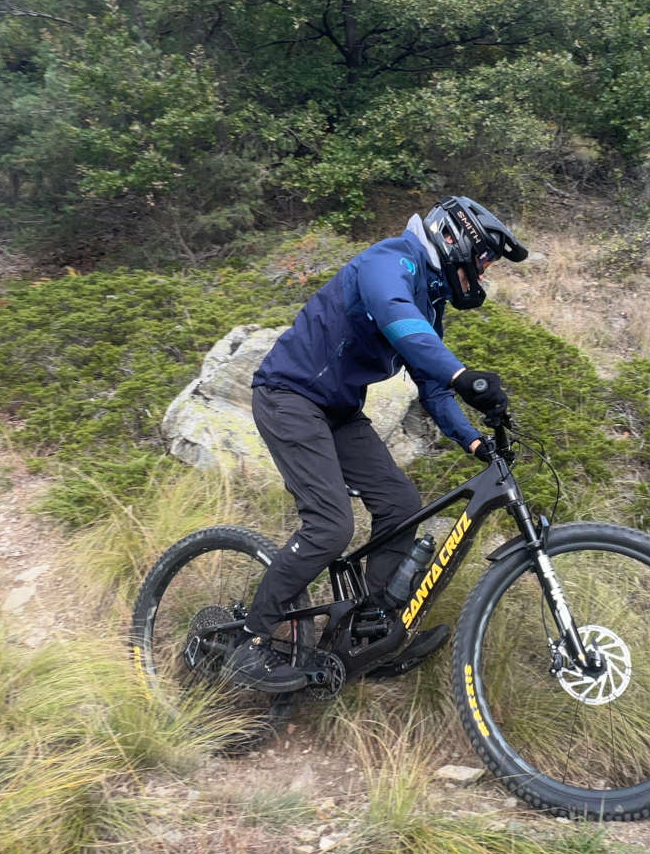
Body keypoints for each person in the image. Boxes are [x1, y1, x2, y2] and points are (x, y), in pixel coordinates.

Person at [222, 196, 527, 692]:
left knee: (401, 504)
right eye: (484, 260)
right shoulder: (390, 261)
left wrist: (473, 441)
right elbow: (395, 319)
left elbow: (430, 386)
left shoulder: (431, 296)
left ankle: (370, 634)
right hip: (288, 396)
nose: (484, 274)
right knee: (330, 526)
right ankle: (251, 642)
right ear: (456, 240)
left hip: (338, 410)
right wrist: (463, 374)